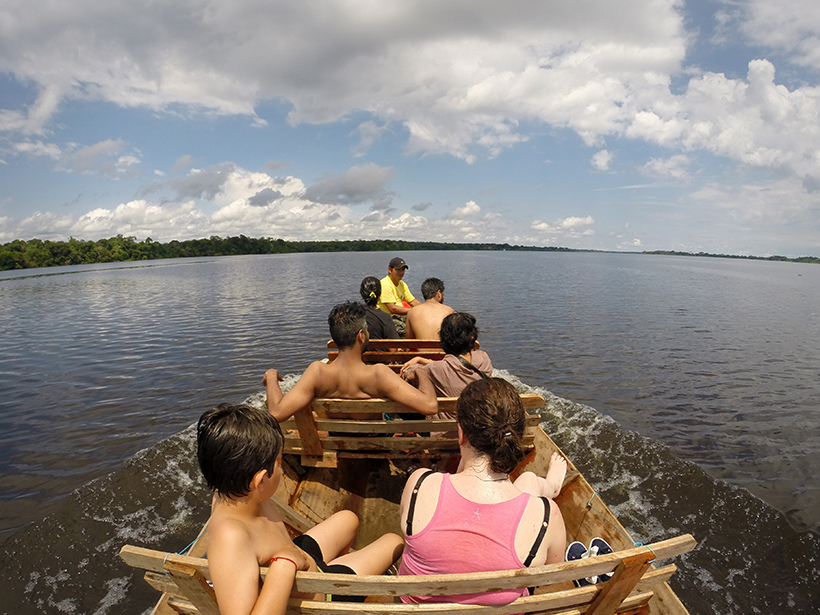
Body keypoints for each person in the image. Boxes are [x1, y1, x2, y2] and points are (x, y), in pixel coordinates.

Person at [197, 403, 405, 615]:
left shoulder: (231, 489)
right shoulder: (230, 538)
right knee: (394, 542)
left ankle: (339, 568)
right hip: (321, 592)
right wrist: (284, 566)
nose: (281, 469)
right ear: (261, 481)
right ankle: (342, 591)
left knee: (348, 518)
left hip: (301, 560)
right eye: (279, 463)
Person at [398, 378, 567, 606]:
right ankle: (551, 486)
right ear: (516, 436)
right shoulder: (548, 516)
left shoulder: (419, 484)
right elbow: (550, 580)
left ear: (461, 434)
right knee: (528, 481)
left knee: (526, 482)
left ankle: (546, 485)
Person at [264, 301, 438, 422]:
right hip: (376, 439)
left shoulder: (317, 372)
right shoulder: (378, 374)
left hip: (337, 437)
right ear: (361, 336)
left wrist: (271, 376)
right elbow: (430, 406)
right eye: (367, 330)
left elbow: (276, 413)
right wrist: (420, 371)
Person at [401, 312, 492, 418]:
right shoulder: (484, 358)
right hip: (479, 424)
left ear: (443, 339)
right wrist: (424, 360)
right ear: (472, 338)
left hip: (445, 427)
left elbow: (407, 374)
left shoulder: (435, 370)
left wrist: (417, 365)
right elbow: (456, 366)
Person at [377, 257, 420, 337]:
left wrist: (427, 308)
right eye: (398, 270)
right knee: (409, 332)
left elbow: (413, 301)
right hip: (388, 318)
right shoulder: (385, 284)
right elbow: (392, 309)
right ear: (390, 270)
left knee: (421, 323)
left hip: (399, 316)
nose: (401, 272)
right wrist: (414, 310)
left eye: (403, 270)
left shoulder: (402, 284)